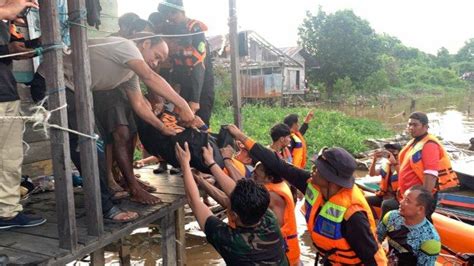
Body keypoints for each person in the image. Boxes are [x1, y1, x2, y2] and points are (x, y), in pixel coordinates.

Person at [35, 33, 195, 205]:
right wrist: (183, 105)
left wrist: (162, 127)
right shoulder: (127, 46)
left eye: (159, 61)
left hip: (73, 91)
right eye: (156, 56)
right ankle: (104, 204)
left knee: (96, 142)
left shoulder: (129, 73)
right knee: (90, 144)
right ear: (146, 44)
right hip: (52, 84)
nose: (155, 63)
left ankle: (109, 195)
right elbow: (150, 77)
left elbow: (139, 104)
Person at [226, 125, 387, 265]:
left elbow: (372, 257)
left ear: (332, 180)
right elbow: (277, 164)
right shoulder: (312, 184)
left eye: (318, 170)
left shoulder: (353, 214)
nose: (313, 171)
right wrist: (240, 135)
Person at [175, 142, 289, 265]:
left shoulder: (230, 240)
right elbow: (235, 191)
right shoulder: (270, 220)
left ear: (233, 215)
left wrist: (185, 164)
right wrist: (210, 164)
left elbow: (194, 201)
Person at [203, 144, 301, 265]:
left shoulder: (273, 196)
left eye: (256, 175)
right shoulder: (275, 186)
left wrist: (224, 161)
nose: (252, 176)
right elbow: (232, 197)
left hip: (285, 256)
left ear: (269, 178)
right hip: (276, 251)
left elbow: (237, 189)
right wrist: (201, 181)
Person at [0, 0, 47, 229]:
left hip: (6, 93)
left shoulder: (5, 20)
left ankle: (6, 212)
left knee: (9, 158)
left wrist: (25, 48)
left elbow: (8, 53)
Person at [158, 0, 215, 126]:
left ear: (182, 11)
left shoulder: (195, 28)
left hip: (201, 86)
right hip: (183, 86)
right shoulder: (170, 30)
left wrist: (195, 100)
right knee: (181, 124)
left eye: (173, 13)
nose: (170, 18)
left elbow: (199, 66)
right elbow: (173, 65)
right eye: (167, 15)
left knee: (200, 124)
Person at [397, 112, 458, 217]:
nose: (411, 128)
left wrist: (422, 202)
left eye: (415, 125)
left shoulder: (429, 145)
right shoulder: (415, 142)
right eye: (409, 124)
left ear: (425, 127)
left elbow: (430, 175)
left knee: (421, 225)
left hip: (419, 199)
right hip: (410, 195)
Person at [377, 185, 441, 265]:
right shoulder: (392, 216)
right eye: (403, 198)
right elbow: (377, 239)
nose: (401, 202)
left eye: (407, 201)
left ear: (420, 209)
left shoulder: (430, 240)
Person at [366, 143, 401, 219]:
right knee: (366, 200)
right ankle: (373, 219)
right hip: (384, 195)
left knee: (386, 204)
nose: (391, 155)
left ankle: (381, 227)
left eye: (393, 153)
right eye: (389, 153)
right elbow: (372, 174)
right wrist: (374, 160)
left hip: (397, 198)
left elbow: (404, 177)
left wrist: (395, 163)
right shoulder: (386, 164)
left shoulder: (402, 165)